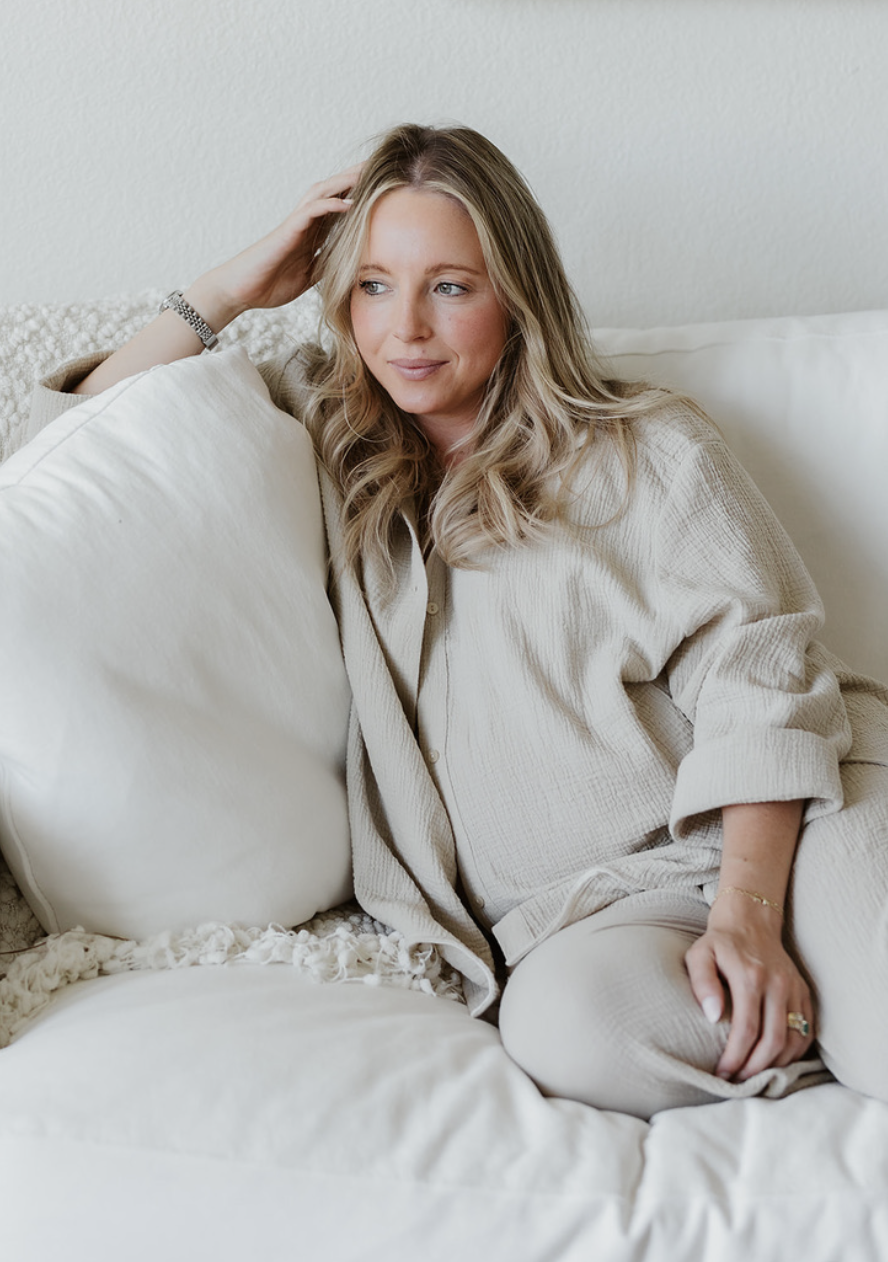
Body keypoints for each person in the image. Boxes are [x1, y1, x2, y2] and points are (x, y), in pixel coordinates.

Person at [35, 124, 888, 1119]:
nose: (407, 329)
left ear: (516, 296)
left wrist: (750, 913)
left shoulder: (647, 444)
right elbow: (82, 435)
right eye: (373, 285)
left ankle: (826, 1010)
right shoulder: (330, 444)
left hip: (796, 814)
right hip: (599, 911)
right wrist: (233, 285)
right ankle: (807, 1032)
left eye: (449, 285)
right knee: (573, 1033)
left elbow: (762, 675)